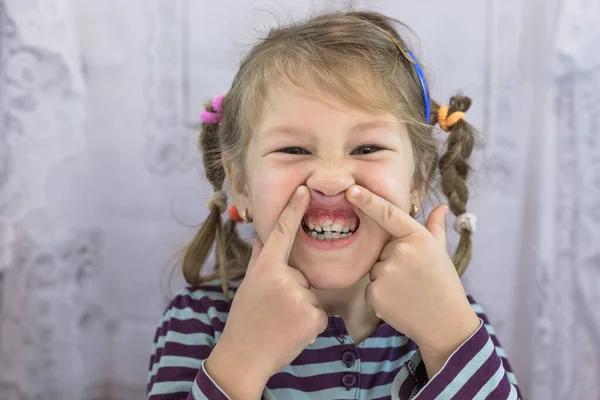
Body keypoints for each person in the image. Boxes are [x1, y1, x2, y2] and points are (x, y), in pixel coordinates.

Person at [147, 9, 522, 400]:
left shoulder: (453, 317)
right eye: (292, 149)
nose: (330, 178)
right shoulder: (198, 323)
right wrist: (243, 360)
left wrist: (447, 340)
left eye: (367, 148)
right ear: (240, 182)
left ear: (417, 180)